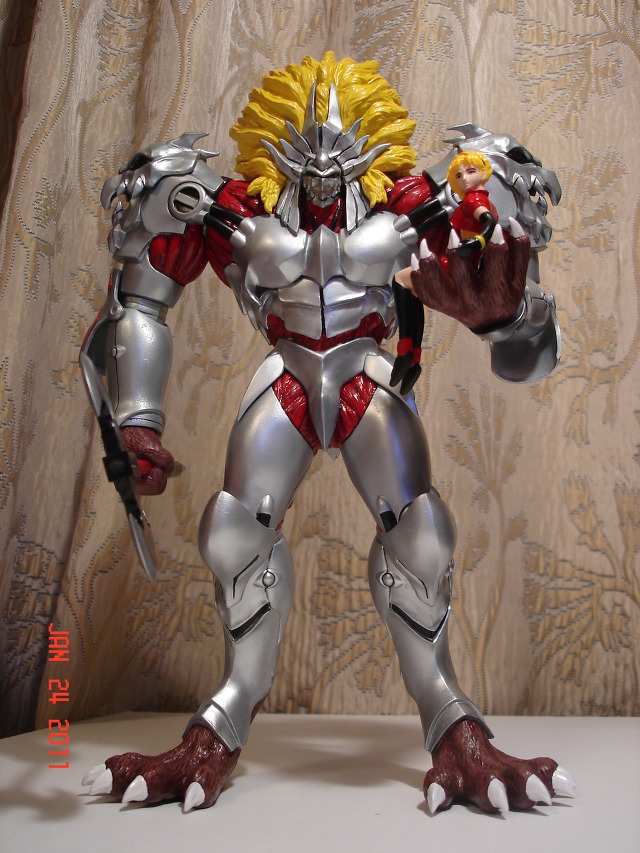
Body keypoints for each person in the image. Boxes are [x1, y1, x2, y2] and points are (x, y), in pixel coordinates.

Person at [81, 52, 573, 814]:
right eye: (300, 158)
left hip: (364, 373)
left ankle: (453, 722)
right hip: (285, 375)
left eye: (338, 159)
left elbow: (532, 356)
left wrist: (507, 319)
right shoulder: (229, 207)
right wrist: (138, 418)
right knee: (231, 534)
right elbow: (140, 300)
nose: (319, 175)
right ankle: (224, 721)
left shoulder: (425, 203)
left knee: (421, 536)